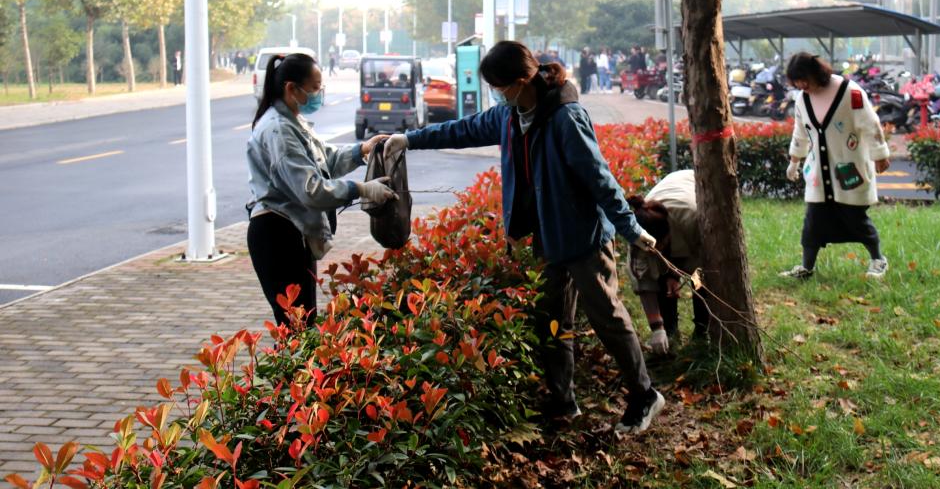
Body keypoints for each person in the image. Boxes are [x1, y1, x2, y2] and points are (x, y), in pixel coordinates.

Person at [383, 40, 665, 433]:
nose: (496, 94)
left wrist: (630, 229)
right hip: (546, 238)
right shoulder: (509, 115)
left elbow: (600, 179)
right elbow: (462, 129)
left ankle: (644, 395)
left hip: (583, 238)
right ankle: (563, 402)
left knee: (608, 318)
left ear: (520, 81)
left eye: (499, 87)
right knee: (551, 322)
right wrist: (409, 140)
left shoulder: (566, 118)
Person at [246, 53, 395, 325]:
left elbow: (324, 161)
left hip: (294, 232)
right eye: (314, 88)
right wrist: (361, 189)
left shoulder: (293, 122)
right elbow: (311, 190)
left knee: (304, 321)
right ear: (292, 89)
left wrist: (362, 150)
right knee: (295, 325)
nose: (319, 94)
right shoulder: (278, 130)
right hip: (276, 235)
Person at [781, 52, 891, 280]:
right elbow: (800, 132)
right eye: (797, 82)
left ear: (815, 72)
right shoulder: (802, 99)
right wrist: (794, 160)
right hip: (818, 176)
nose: (801, 86)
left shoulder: (850, 92)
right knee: (813, 223)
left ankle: (878, 259)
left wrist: (880, 154)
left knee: (856, 219)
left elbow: (870, 124)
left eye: (804, 79)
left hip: (849, 170)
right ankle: (806, 267)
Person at [626, 170, 709, 353]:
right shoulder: (637, 232)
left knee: (701, 281)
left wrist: (674, 273)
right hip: (672, 210)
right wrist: (656, 327)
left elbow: (702, 265)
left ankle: (702, 330)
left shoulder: (694, 219)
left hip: (691, 186)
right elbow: (643, 279)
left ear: (666, 237)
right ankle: (669, 332)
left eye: (659, 247)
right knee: (660, 278)